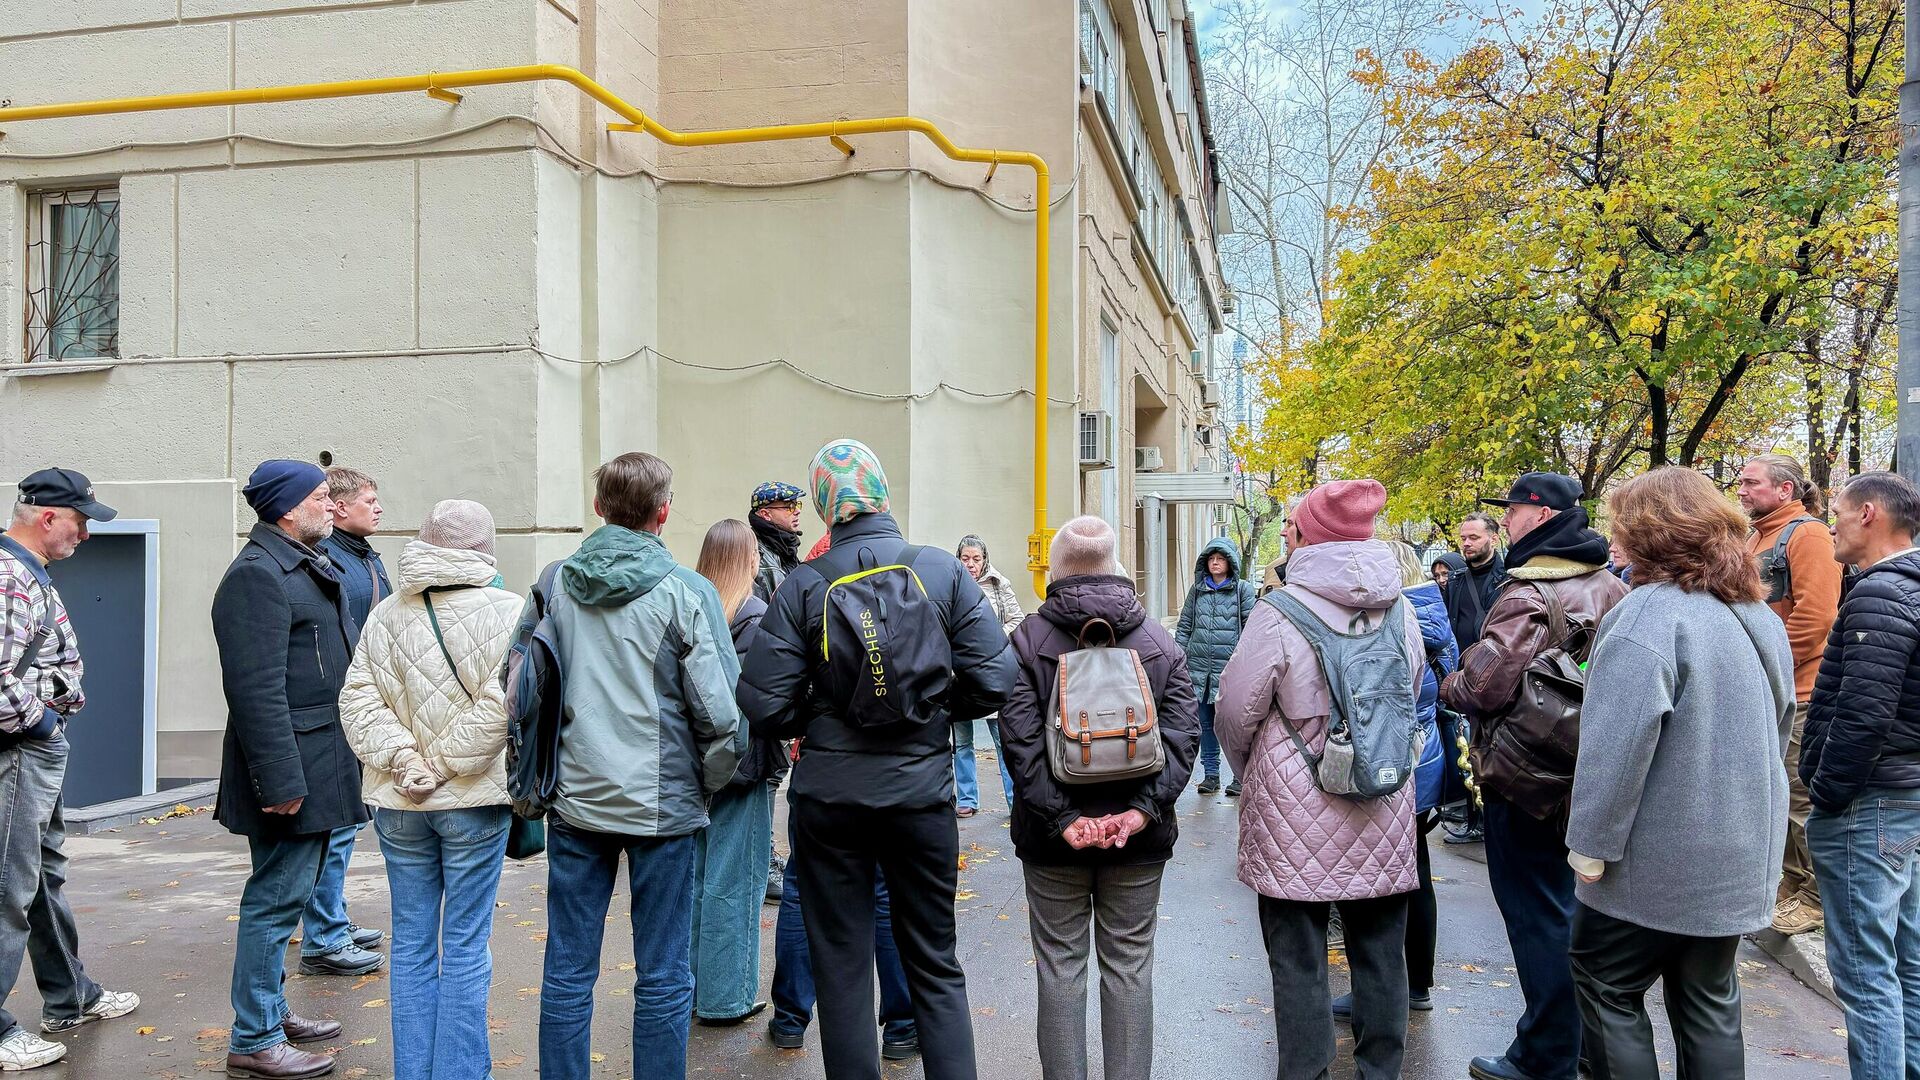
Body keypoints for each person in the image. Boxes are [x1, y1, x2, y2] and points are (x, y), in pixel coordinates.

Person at [738, 437, 1016, 1080]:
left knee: (839, 967)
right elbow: (997, 678)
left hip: (831, 798)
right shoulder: (942, 571)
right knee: (935, 963)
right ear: (882, 494)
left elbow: (761, 702)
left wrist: (824, 717)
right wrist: (930, 710)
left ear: (825, 506)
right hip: (920, 796)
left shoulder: (806, 583)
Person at [1565, 468, 1793, 1080]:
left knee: (1606, 986)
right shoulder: (1755, 613)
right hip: (1742, 851)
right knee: (1709, 1000)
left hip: (1658, 859)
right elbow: (1780, 727)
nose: (1615, 541)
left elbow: (1614, 750)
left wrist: (1589, 847)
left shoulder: (1649, 616)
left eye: (1622, 529)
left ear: (1648, 534)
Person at [536, 452, 745, 1080]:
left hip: (575, 802)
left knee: (569, 968)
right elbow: (722, 714)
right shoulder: (688, 591)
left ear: (599, 508)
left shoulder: (555, 583)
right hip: (665, 808)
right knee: (662, 971)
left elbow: (521, 687)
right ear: (664, 512)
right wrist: (701, 785)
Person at [1217, 479, 1422, 1080]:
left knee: (1297, 955)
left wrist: (1252, 770)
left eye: (1292, 524)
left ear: (1309, 534)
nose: (1287, 531)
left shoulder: (1280, 611)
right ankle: (1380, 1070)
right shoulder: (1401, 609)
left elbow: (1235, 709)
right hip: (1382, 798)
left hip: (1292, 807)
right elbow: (1407, 695)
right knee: (1383, 951)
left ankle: (1305, 1071)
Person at [1441, 472, 1628, 1080]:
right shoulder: (1609, 585)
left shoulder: (1528, 593)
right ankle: (1579, 1045)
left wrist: (1450, 678)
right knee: (1575, 913)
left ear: (1540, 516)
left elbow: (1481, 686)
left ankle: (1545, 1054)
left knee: (1536, 916)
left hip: (1526, 780)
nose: (1508, 521)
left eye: (1514, 511)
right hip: (1590, 774)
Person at [998, 515, 1199, 1080]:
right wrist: (1141, 811)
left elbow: (1017, 742)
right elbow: (1184, 738)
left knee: (1060, 968)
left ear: (1056, 570)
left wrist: (1063, 817)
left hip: (1052, 837)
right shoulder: (1158, 640)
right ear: (1115, 567)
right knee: (1130, 967)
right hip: (1138, 838)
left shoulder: (1028, 640)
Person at [337, 500, 521, 1080]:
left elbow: (358, 698)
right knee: (466, 944)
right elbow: (504, 706)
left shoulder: (387, 613)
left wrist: (404, 759)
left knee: (412, 943)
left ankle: (414, 1072)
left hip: (398, 803)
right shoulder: (510, 612)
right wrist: (440, 765)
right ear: (484, 548)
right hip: (473, 798)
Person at [213, 460, 371, 1080]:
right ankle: (253, 1037)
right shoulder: (257, 576)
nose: (333, 505)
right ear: (287, 509)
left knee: (289, 893)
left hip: (317, 760)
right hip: (290, 771)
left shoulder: (298, 564)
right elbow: (255, 692)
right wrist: (279, 782)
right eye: (321, 497)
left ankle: (271, 1013)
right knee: (276, 900)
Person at [0, 470, 139, 1071]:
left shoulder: (26, 573)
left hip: (34, 750)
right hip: (19, 751)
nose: (86, 533)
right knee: (9, 886)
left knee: (41, 875)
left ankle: (70, 995)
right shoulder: (10, 579)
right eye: (81, 521)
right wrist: (43, 725)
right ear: (47, 516)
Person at [1802, 471, 1920, 1077]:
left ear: (1870, 514)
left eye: (1840, 515)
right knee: (1907, 962)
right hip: (1906, 800)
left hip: (1868, 806)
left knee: (1868, 971)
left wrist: (1828, 794)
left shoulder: (1880, 592)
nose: (1832, 528)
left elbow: (1864, 714)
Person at [1329, 540, 1457, 1023]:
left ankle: (1381, 990)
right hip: (1426, 755)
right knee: (1418, 871)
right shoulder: (1432, 615)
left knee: (1383, 878)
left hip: (1394, 758)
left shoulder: (1395, 618)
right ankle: (1417, 982)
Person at [1738, 454, 1841, 937]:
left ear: (1785, 490)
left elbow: (1816, 619)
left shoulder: (1810, 534)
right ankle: (1789, 885)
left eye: (1751, 482)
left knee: (1800, 799)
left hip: (1800, 694)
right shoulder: (1754, 536)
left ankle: (1815, 898)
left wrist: (1765, 666)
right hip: (1766, 690)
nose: (1741, 489)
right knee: (1774, 796)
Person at [690, 519, 782, 1026]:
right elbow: (764, 700)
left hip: (693, 769)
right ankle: (727, 996)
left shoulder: (692, 608)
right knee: (736, 881)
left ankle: (694, 986)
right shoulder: (756, 616)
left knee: (699, 879)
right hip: (743, 767)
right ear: (748, 559)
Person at [301, 465, 392, 979]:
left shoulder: (364, 555)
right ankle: (324, 938)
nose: (378, 508)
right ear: (337, 507)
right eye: (369, 500)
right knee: (336, 825)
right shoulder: (328, 559)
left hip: (362, 701)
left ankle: (331, 918)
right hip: (343, 704)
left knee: (347, 823)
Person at [1175, 537, 1257, 796]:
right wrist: (1178, 658)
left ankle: (1239, 776)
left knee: (1234, 726)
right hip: (1199, 670)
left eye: (1220, 558)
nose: (1215, 563)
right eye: (1211, 558)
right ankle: (1211, 775)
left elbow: (1251, 628)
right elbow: (1185, 625)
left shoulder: (1242, 590)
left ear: (1230, 562)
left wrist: (1245, 664)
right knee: (1205, 725)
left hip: (1230, 670)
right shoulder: (1197, 590)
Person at [954, 535, 1024, 816]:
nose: (971, 564)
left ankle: (1014, 800)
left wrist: (993, 641)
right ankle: (967, 799)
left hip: (991, 671)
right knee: (962, 742)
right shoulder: (951, 582)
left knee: (1002, 740)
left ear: (985, 560)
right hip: (958, 674)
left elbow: (1017, 618)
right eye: (965, 558)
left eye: (976, 558)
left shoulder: (999, 583)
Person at [1446, 512, 1507, 650]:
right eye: (1463, 538)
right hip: (1458, 667)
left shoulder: (1509, 581)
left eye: (1474, 538)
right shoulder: (1454, 582)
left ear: (1493, 540)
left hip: (1494, 665)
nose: (1466, 543)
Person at [750, 482, 806, 603]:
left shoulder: (785, 547)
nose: (797, 511)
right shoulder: (754, 554)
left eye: (797, 505)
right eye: (789, 507)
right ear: (766, 514)